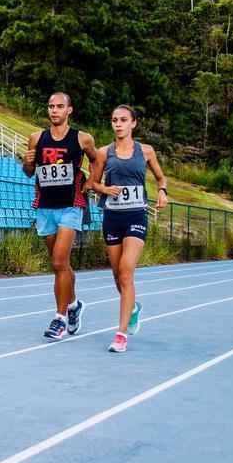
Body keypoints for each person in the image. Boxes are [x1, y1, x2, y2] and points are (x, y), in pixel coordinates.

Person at [87, 105, 168, 354]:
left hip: (136, 215)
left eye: (123, 120)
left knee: (125, 271)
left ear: (133, 123)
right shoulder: (103, 153)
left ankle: (121, 334)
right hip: (112, 217)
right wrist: (104, 190)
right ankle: (133, 308)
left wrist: (163, 191)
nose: (118, 124)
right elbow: (92, 183)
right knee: (117, 277)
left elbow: (161, 178)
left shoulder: (146, 152)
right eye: (114, 120)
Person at [22, 92, 99, 340]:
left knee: (57, 263)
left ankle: (60, 318)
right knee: (61, 266)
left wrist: (91, 183)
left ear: (69, 110)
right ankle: (74, 305)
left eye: (59, 106)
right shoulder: (36, 138)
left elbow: (97, 160)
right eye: (50, 106)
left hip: (71, 205)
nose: (54, 110)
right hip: (44, 206)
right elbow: (28, 172)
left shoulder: (82, 138)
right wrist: (27, 162)